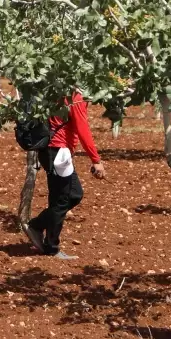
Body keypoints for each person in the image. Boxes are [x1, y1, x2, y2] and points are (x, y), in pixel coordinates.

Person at [21, 90, 105, 259]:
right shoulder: (75, 98)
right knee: (66, 198)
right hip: (59, 152)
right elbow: (83, 129)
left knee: (68, 195)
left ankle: (45, 238)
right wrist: (96, 160)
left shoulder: (56, 91)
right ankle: (41, 233)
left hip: (49, 151)